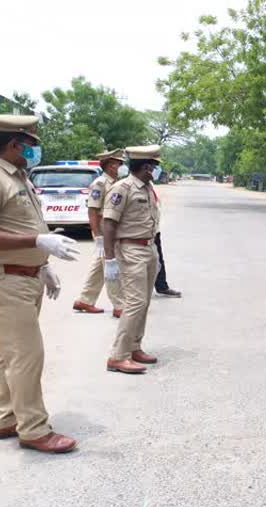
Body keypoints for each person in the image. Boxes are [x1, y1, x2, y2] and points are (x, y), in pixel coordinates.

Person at [0, 114, 80, 454]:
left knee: (8, 354)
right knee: (27, 355)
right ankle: (34, 428)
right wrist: (37, 244)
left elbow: (17, 225)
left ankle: (3, 419)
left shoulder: (18, 177)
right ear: (14, 144)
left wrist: (43, 265)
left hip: (19, 278)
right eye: (31, 144)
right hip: (1, 280)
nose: (33, 151)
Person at [103, 145, 162, 374]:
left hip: (148, 248)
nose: (155, 170)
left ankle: (135, 346)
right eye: (154, 166)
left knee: (144, 302)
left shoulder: (147, 188)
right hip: (130, 250)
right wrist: (109, 259)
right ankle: (118, 355)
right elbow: (109, 224)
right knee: (135, 303)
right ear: (146, 167)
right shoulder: (122, 188)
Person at [73, 149, 125, 318]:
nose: (120, 166)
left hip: (111, 229)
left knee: (100, 267)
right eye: (118, 163)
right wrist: (98, 236)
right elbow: (93, 211)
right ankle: (119, 305)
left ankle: (85, 300)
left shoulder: (114, 183)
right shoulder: (100, 183)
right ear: (110, 165)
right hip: (104, 230)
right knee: (111, 266)